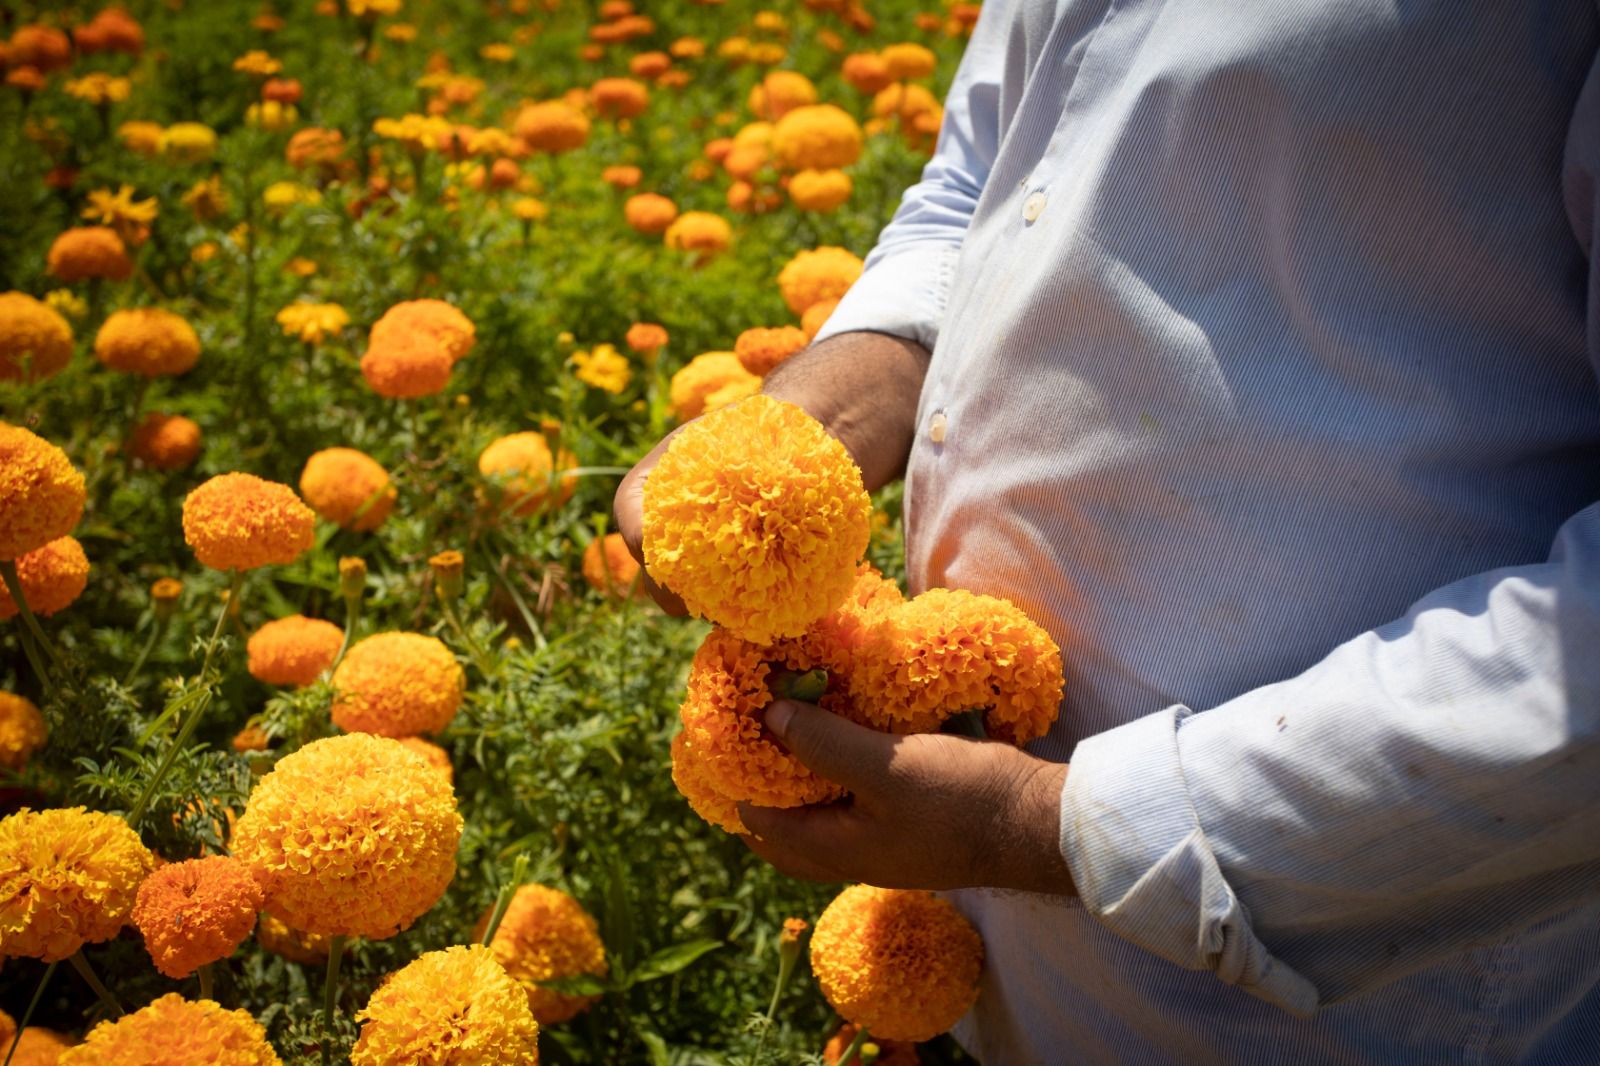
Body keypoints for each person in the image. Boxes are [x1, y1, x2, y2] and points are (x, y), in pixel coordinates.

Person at [617, 2, 1600, 1062]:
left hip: (1359, 996)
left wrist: (1043, 825)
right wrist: (831, 402)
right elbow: (988, 173)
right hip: (980, 946)